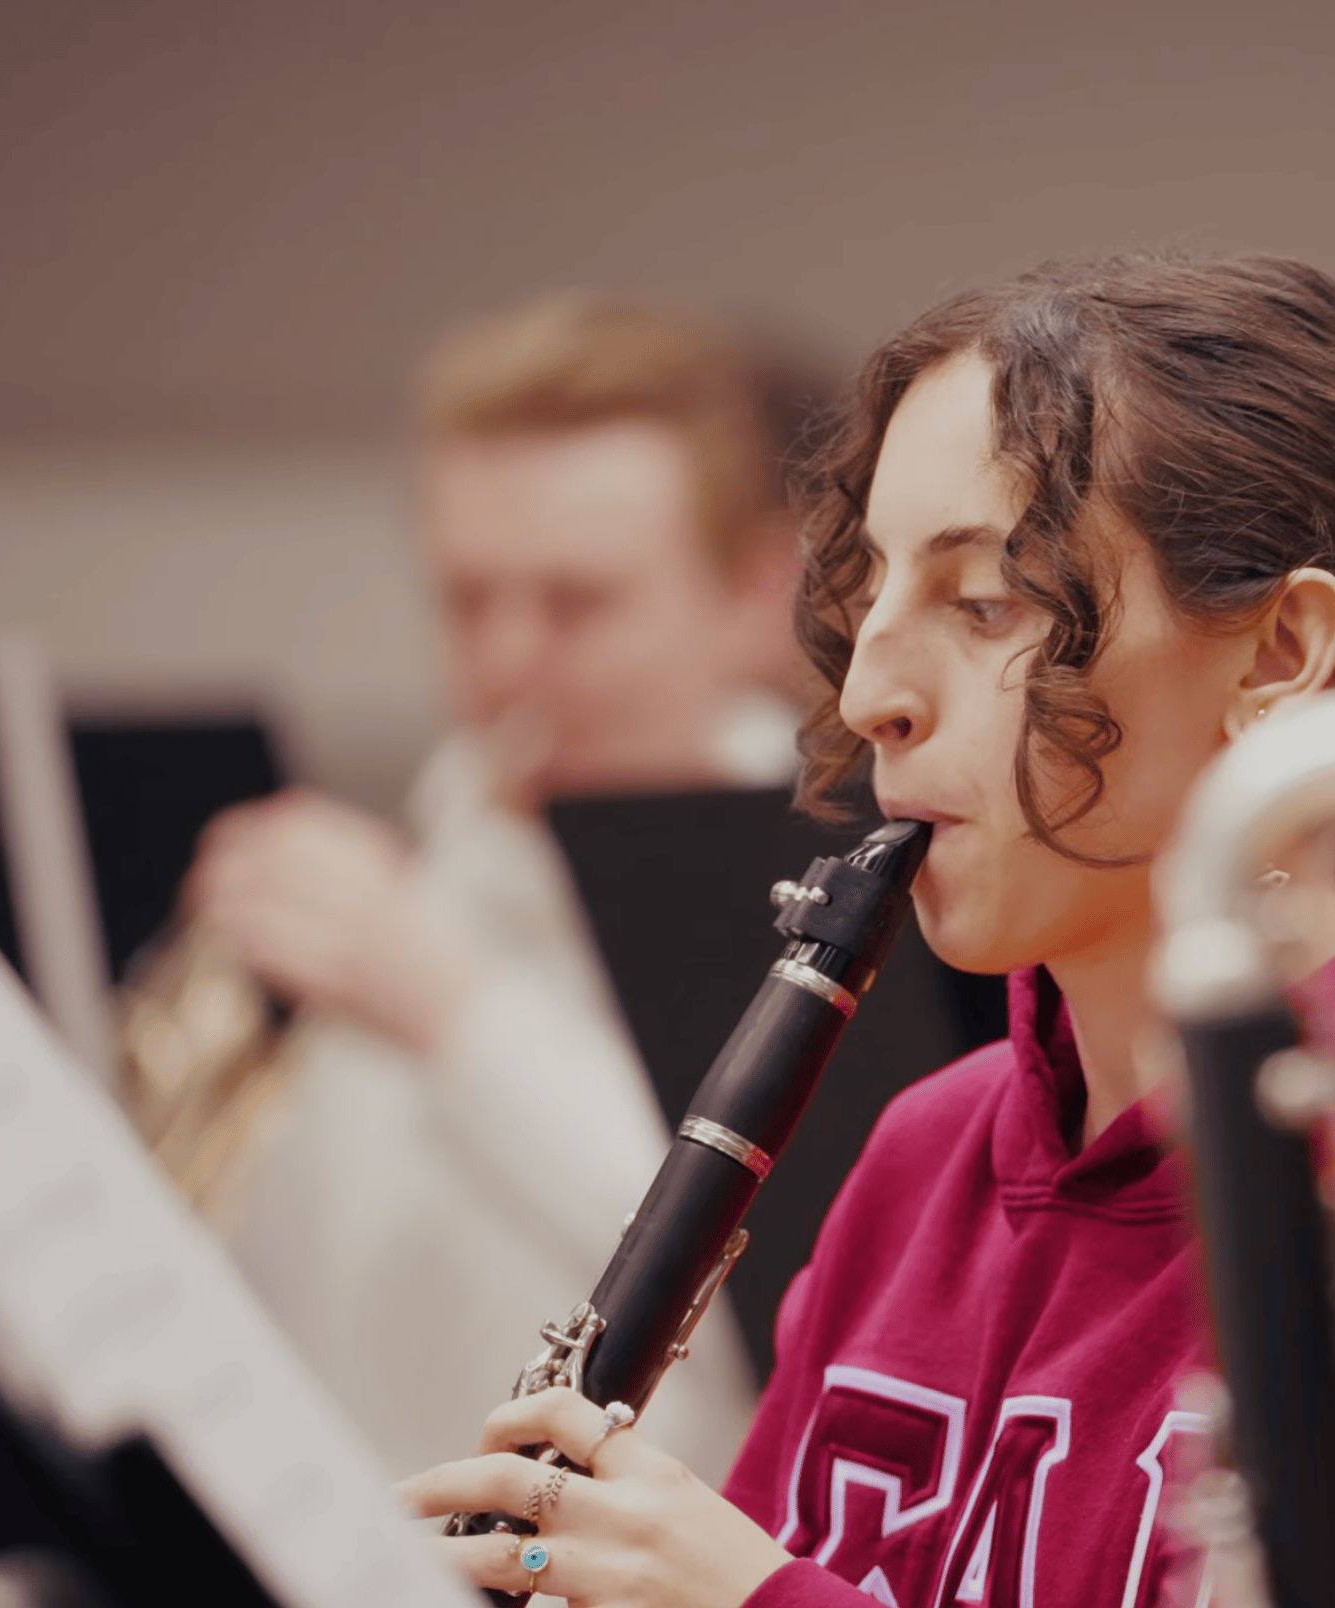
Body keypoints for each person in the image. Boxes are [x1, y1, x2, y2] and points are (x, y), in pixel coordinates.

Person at [399, 252, 1335, 1608]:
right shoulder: (925, 1158)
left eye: (984, 599)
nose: (875, 686)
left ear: (1279, 653)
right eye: (872, 589)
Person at [188, 294, 816, 1479]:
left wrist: (448, 1011)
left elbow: (780, 1310)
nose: (506, 662)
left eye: (579, 604)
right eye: (468, 600)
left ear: (752, 596)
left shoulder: (848, 895)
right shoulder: (434, 856)